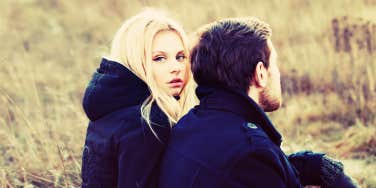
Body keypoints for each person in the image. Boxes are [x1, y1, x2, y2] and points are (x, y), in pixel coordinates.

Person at [158, 17, 357, 188]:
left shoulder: (189, 125)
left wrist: (312, 166)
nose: (277, 74)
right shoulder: (252, 153)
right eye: (275, 65)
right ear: (260, 73)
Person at [80, 9, 196, 188]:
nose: (176, 67)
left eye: (180, 57)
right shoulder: (148, 121)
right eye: (159, 58)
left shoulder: (111, 104)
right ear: (135, 61)